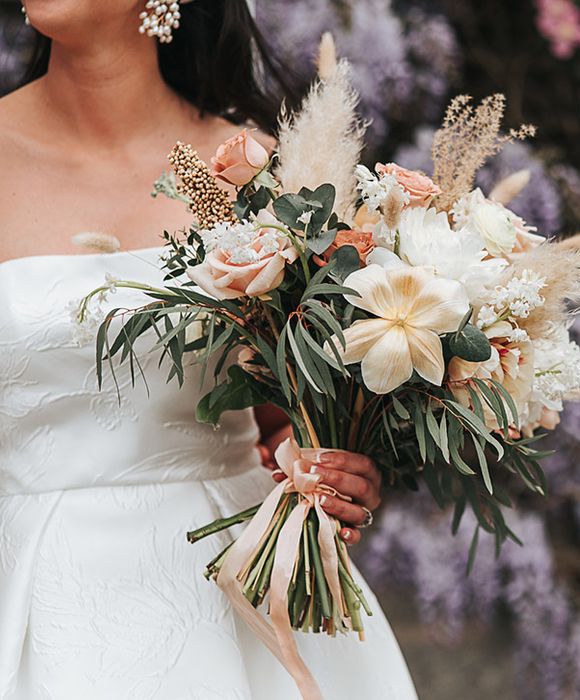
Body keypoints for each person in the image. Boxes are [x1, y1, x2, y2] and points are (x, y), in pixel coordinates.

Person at [0, 2, 417, 698]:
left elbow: (286, 418)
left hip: (233, 599)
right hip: (31, 594)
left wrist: (333, 472)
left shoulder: (261, 173)